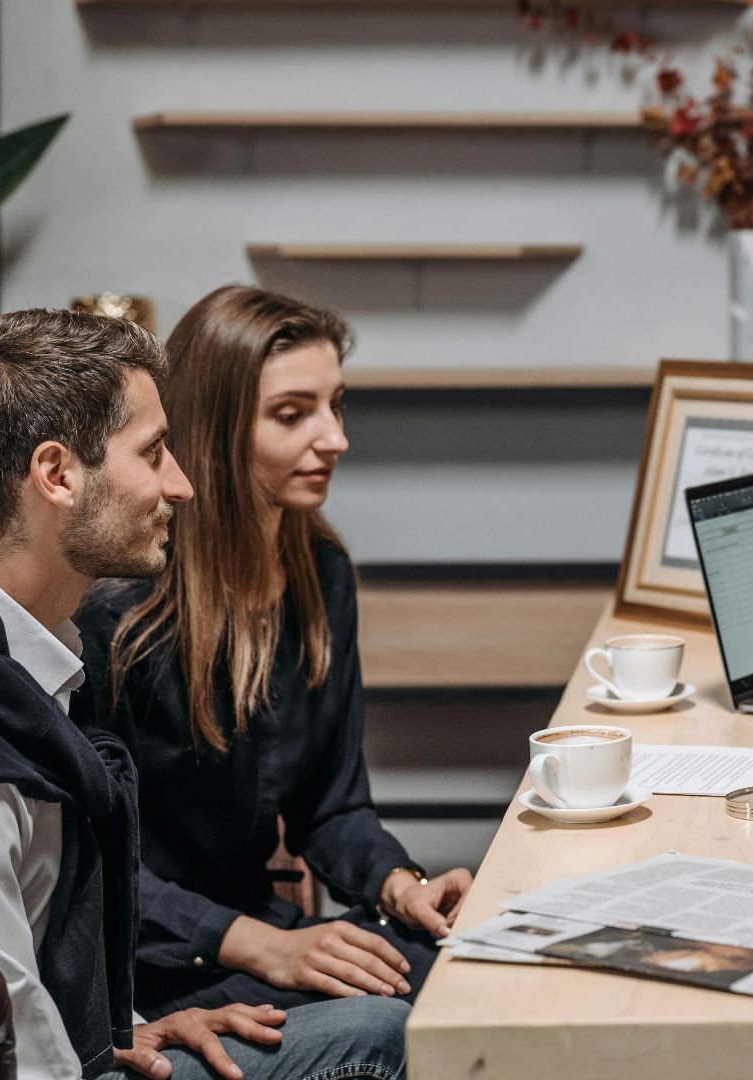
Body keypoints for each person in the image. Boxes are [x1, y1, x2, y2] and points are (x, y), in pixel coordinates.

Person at [0, 310, 409, 1080]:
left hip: (93, 1038)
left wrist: (133, 1027)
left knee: (384, 1016)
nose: (182, 484)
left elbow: (33, 974)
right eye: (154, 452)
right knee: (380, 1035)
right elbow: (3, 1057)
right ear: (58, 475)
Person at [71, 285, 472, 1020]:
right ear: (218, 430)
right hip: (153, 972)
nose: (335, 438)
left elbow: (333, 807)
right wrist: (261, 945)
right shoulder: (119, 617)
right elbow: (94, 873)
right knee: (407, 1011)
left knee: (463, 973)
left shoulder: (321, 578)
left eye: (336, 405)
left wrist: (398, 884)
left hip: (265, 936)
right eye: (293, 415)